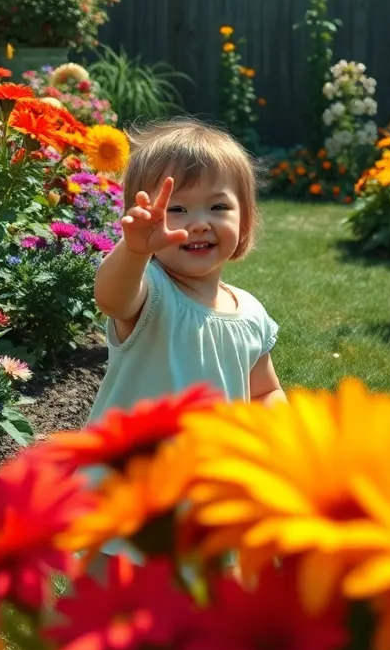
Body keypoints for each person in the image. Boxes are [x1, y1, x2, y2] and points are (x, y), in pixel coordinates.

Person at [88, 117, 286, 424]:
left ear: (244, 221)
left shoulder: (250, 314)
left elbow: (263, 392)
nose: (199, 223)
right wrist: (134, 250)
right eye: (176, 209)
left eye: (218, 207)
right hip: (133, 468)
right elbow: (111, 300)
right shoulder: (151, 293)